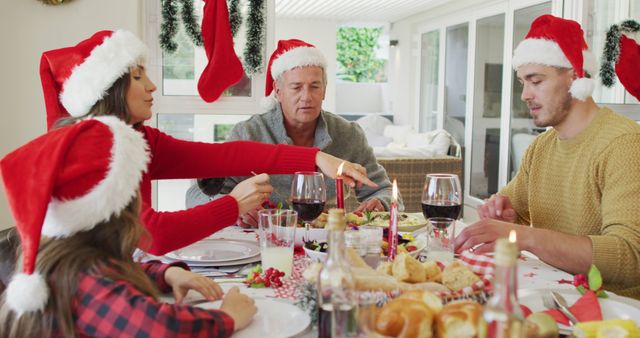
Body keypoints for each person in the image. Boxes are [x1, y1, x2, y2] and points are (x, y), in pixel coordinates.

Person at [39, 30, 376, 255]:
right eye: (139, 77)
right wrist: (234, 204)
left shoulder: (139, 138)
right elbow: (151, 236)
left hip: (117, 266)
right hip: (80, 280)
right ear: (110, 90)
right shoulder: (93, 148)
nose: (153, 86)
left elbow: (226, 156)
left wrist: (315, 157)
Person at [0, 117, 256, 337]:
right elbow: (164, 330)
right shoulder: (87, 284)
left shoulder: (64, 260)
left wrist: (165, 275)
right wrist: (228, 316)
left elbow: (112, 273)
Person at [454, 15, 640, 298]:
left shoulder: (624, 144)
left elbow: (629, 257)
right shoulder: (541, 147)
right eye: (522, 82)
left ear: (575, 75)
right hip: (556, 297)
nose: (525, 95)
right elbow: (508, 211)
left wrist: (524, 237)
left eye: (536, 81)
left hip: (613, 313)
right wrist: (503, 214)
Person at [187, 39, 399, 227]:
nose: (306, 97)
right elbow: (196, 196)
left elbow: (383, 190)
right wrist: (234, 209)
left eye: (315, 86)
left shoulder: (348, 134)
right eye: (296, 87)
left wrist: (380, 203)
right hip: (260, 241)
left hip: (324, 243)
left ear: (324, 90)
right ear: (278, 92)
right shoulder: (248, 132)